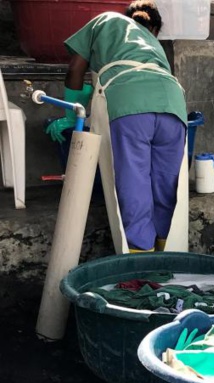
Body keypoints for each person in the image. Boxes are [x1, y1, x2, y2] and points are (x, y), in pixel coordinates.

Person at [46, 1, 188, 254]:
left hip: (129, 104)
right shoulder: (151, 42)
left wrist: (71, 113)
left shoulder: (105, 20)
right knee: (166, 185)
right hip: (173, 103)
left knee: (134, 181)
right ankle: (166, 256)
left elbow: (74, 69)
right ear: (154, 28)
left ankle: (140, 259)